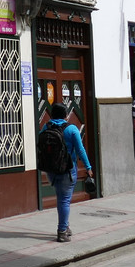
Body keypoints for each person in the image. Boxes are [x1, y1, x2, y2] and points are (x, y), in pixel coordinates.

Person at [40, 102, 93, 243]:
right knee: (64, 200)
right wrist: (88, 167)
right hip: (67, 170)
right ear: (66, 115)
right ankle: (62, 231)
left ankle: (66, 226)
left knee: (61, 198)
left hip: (51, 169)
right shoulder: (72, 129)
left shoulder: (46, 126)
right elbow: (80, 149)